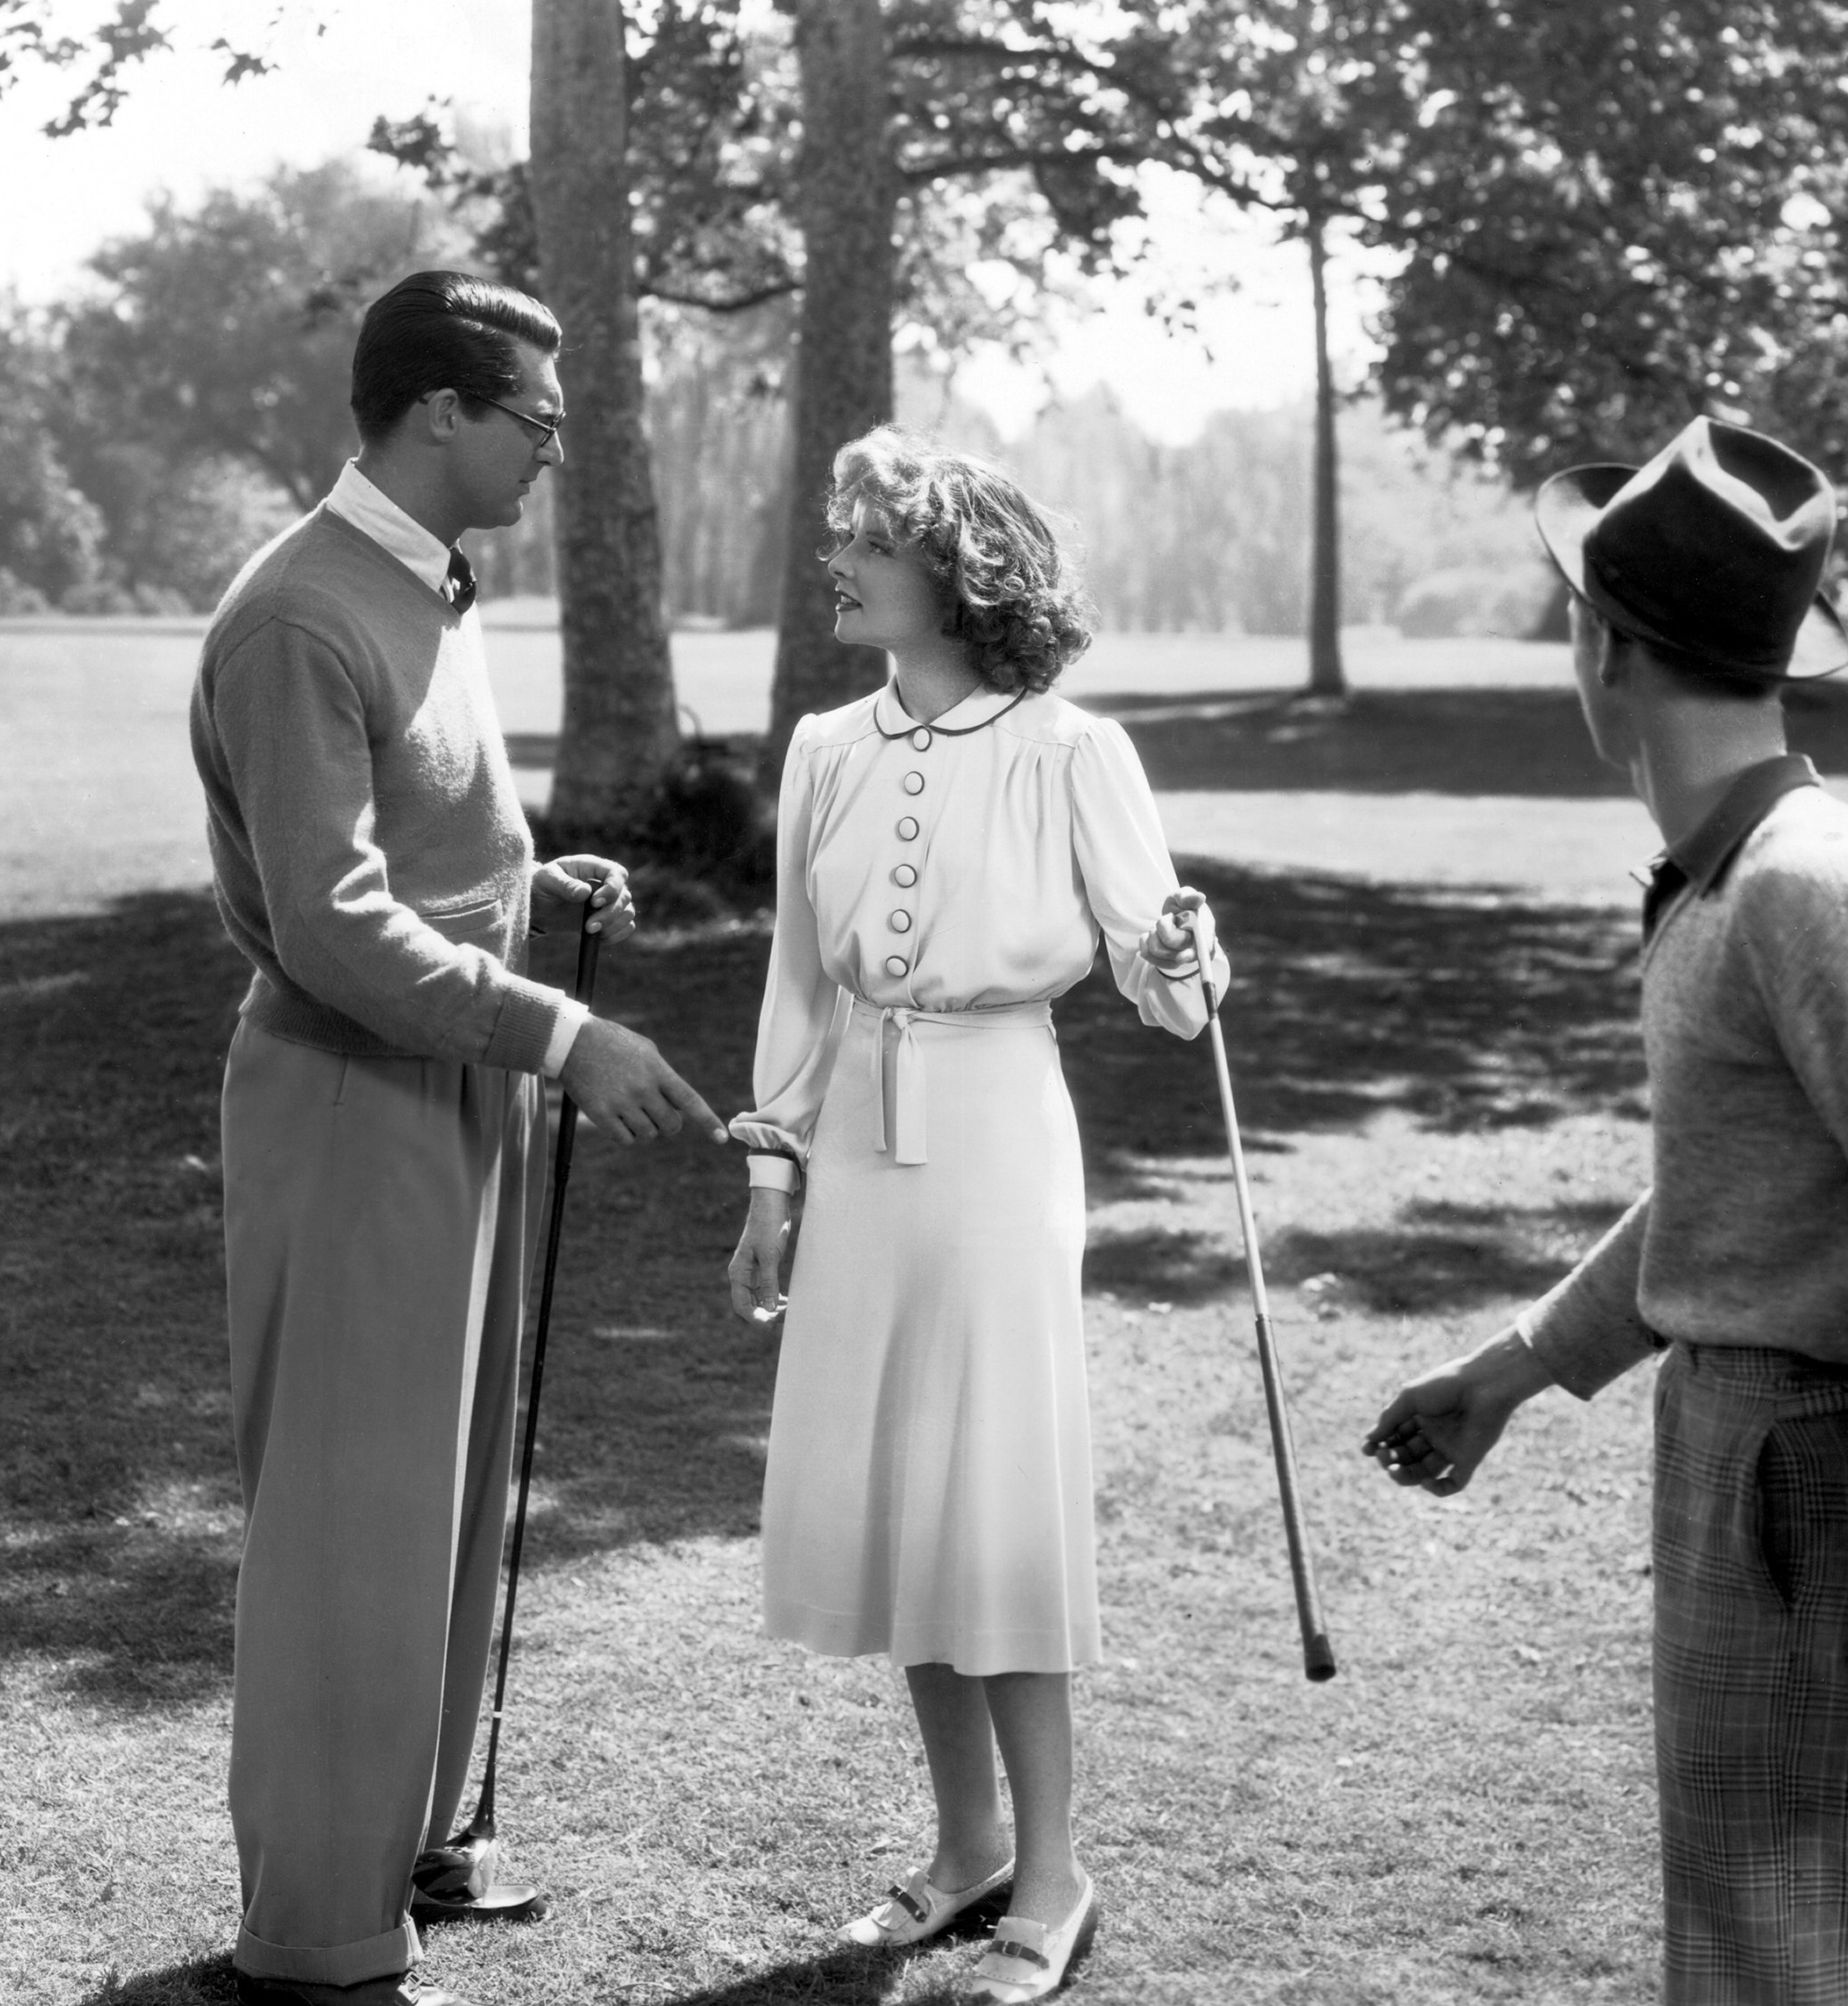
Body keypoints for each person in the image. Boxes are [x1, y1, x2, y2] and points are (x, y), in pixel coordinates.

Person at [1362, 418, 1848, 2006]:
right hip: (1738, 1454)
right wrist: (1510, 1371)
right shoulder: (1731, 876)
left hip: (1805, 1476)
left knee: (1800, 1954)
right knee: (1751, 1931)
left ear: (1606, 647)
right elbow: (1737, 1191)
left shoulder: (1813, 891)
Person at [191, 269, 725, 2006]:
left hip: (445, 1083)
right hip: (350, 1094)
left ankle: (401, 1848)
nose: (555, 455)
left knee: (442, 1491)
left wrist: (525, 887)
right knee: (355, 1519)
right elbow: (334, 923)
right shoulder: (300, 614)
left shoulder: (430, 586)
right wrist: (564, 1030)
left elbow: (409, 852)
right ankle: (320, 1937)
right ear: (438, 411)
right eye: (538, 424)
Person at [724, 426, 1222, 2006]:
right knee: (898, 1497)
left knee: (990, 1489)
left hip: (1003, 1129)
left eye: (872, 540)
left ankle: (1054, 1874)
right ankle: (963, 1853)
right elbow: (798, 977)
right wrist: (770, 1173)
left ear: (958, 568)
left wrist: (1187, 951)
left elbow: (1166, 993)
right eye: (847, 538)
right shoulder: (822, 748)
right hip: (859, 1142)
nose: (845, 564)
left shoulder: (1075, 752)